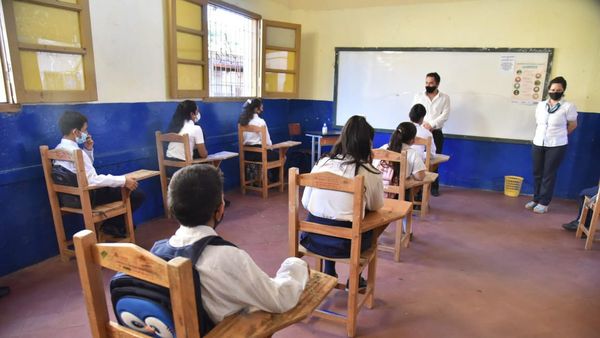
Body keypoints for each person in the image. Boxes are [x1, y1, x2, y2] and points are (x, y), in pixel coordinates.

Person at [153, 164, 308, 326]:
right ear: (220, 209)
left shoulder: (156, 252)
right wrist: (295, 265)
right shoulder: (227, 257)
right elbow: (279, 300)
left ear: (172, 207)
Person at [301, 115, 384, 289]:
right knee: (369, 223)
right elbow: (376, 206)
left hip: (312, 238)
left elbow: (306, 202)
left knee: (326, 213)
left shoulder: (322, 162)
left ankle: (329, 269)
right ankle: (355, 279)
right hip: (346, 245)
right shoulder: (368, 171)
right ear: (368, 143)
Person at [54, 111, 144, 238]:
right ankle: (112, 225)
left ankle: (115, 226)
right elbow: (92, 180)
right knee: (136, 194)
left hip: (69, 199)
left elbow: (82, 169)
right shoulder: (75, 151)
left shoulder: (58, 150)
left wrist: (88, 149)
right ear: (76, 132)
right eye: (85, 130)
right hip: (88, 196)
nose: (87, 133)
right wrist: (123, 181)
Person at [525, 76, 578, 214]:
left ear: (563, 90)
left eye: (558, 90)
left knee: (549, 174)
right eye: (553, 89)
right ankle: (536, 199)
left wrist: (561, 135)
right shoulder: (541, 105)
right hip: (539, 142)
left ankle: (544, 202)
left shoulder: (568, 106)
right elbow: (539, 122)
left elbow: (573, 124)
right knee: (537, 172)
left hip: (557, 144)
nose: (555, 92)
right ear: (548, 89)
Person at [412, 72, 450, 196]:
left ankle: (434, 187)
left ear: (437, 83)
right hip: (419, 132)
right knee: (418, 159)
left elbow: (445, 115)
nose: (428, 85)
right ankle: (419, 188)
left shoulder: (444, 98)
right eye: (427, 83)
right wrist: (423, 125)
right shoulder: (418, 96)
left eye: (431, 83)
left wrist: (431, 125)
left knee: (434, 160)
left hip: (436, 132)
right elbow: (414, 111)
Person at [239, 98, 279, 181]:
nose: (262, 108)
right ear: (256, 109)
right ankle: (275, 181)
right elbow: (267, 142)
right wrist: (271, 148)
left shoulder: (242, 122)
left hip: (246, 154)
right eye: (261, 107)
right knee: (281, 156)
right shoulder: (260, 122)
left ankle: (258, 180)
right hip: (259, 154)